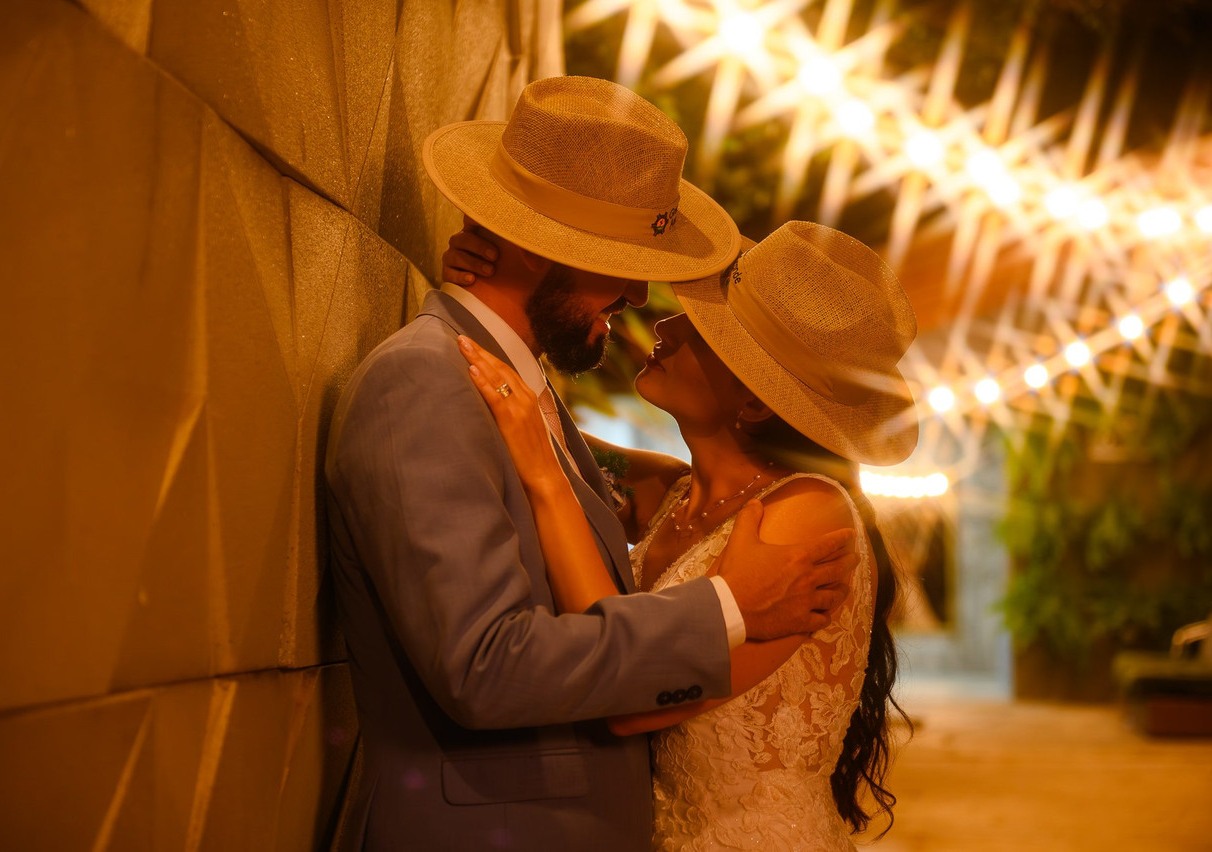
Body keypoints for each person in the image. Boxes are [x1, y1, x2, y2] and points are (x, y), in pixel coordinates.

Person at [324, 76, 859, 851]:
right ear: (537, 251)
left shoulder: (518, 396)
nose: (641, 294)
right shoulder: (423, 384)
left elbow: (579, 479)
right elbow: (486, 665)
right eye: (615, 261)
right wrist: (730, 606)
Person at [453, 220, 918, 850]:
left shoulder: (809, 516)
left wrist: (544, 480)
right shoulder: (670, 492)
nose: (665, 325)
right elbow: (538, 425)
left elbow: (625, 698)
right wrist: (498, 293)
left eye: (701, 330)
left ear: (755, 402)